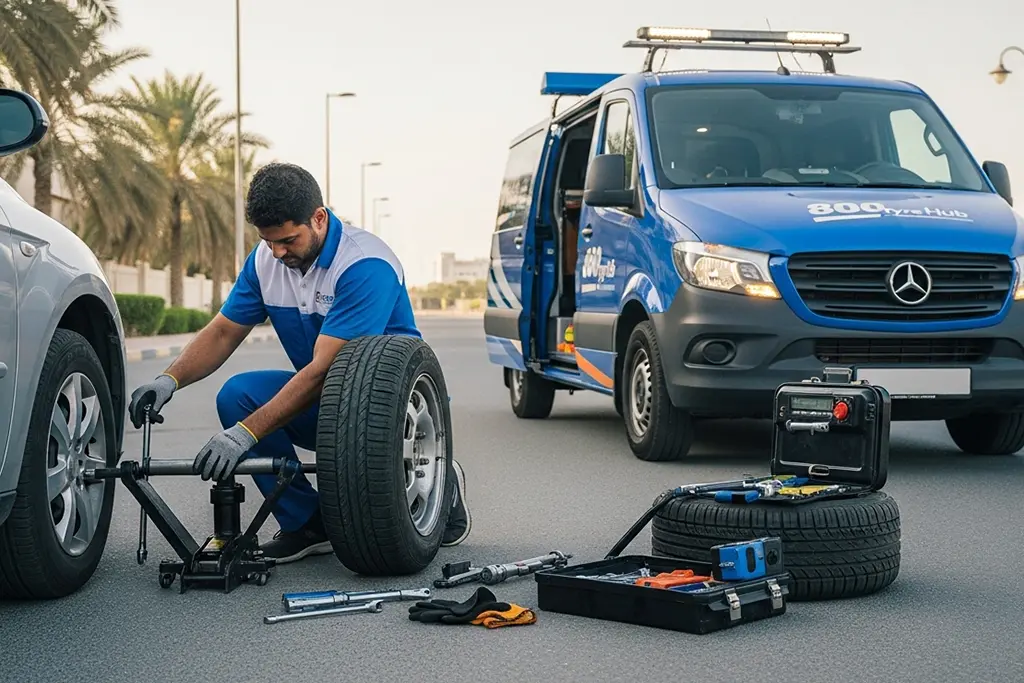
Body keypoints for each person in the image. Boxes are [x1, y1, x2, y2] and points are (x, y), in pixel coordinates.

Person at [126, 162, 471, 563]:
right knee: (238, 396)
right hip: (327, 398)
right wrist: (169, 379)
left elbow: (325, 370)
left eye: (288, 240)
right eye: (268, 241)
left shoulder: (364, 264)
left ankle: (443, 483)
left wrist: (245, 435)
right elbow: (222, 332)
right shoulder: (265, 262)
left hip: (387, 411)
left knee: (370, 520)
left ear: (319, 218)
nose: (277, 252)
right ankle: (309, 522)